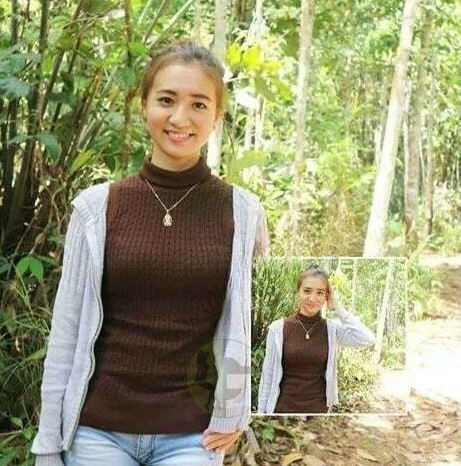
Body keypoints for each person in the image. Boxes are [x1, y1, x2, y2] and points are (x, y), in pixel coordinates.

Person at [31, 41, 269, 466]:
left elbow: (243, 323)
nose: (180, 118)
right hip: (97, 431)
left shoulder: (243, 212)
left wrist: (235, 410)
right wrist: (48, 444)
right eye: (166, 100)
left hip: (194, 435)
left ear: (217, 117)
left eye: (198, 104)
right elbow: (66, 332)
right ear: (144, 106)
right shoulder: (96, 208)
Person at [257, 264, 374, 414]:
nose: (312, 298)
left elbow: (368, 338)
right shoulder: (278, 329)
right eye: (307, 291)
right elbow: (267, 376)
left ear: (327, 296)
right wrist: (262, 414)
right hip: (283, 412)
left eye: (320, 292)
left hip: (319, 414)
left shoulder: (332, 329)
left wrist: (338, 309)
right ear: (298, 291)